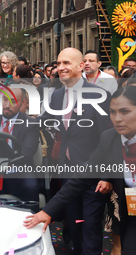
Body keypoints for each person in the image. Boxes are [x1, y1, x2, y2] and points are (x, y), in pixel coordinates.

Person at [25, 85, 136, 255]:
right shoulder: (110, 138)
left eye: (125, 111)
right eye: (113, 112)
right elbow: (82, 177)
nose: (117, 118)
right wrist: (47, 211)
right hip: (130, 214)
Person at [38, 47, 112, 255]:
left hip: (93, 175)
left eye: (66, 63)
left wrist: (107, 176)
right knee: (75, 224)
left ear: (81, 66)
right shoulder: (57, 96)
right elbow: (45, 122)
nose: (60, 68)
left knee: (90, 227)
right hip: (67, 172)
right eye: (59, 63)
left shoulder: (100, 96)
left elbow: (108, 136)